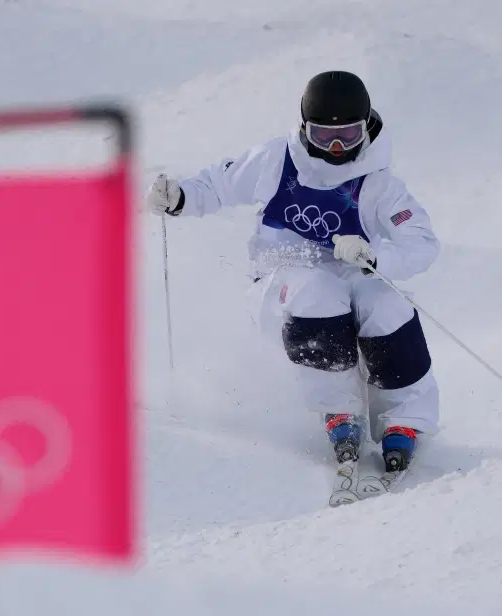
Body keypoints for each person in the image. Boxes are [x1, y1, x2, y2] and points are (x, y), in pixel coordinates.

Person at [144, 70, 441, 502]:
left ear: (368, 127)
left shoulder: (380, 184)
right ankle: (340, 412)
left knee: (386, 302)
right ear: (305, 129)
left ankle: (405, 417)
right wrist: (181, 197)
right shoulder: (276, 160)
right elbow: (217, 183)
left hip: (354, 275)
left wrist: (377, 257)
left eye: (348, 135)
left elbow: (421, 243)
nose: (336, 148)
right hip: (282, 281)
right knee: (318, 290)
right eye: (323, 136)